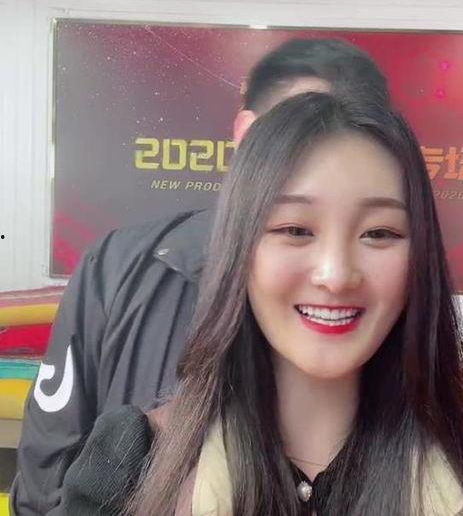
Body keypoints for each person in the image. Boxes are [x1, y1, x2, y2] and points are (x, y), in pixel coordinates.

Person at [60, 92, 463, 515]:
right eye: (295, 230)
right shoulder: (130, 462)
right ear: (239, 248)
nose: (335, 275)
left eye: (379, 233)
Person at [11, 38, 391, 515]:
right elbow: (49, 459)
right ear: (246, 135)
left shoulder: (389, 295)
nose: (333, 275)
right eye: (294, 134)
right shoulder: (120, 266)